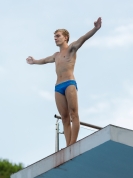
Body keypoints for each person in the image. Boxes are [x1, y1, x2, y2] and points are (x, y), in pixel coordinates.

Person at [26, 17, 102, 146]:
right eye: (54, 37)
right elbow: (44, 60)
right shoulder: (56, 55)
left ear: (65, 37)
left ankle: (73, 144)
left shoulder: (72, 48)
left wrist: (95, 28)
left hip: (69, 84)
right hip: (58, 87)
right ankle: (68, 146)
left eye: (58, 36)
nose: (55, 38)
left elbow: (83, 38)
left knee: (74, 114)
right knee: (65, 118)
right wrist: (34, 62)